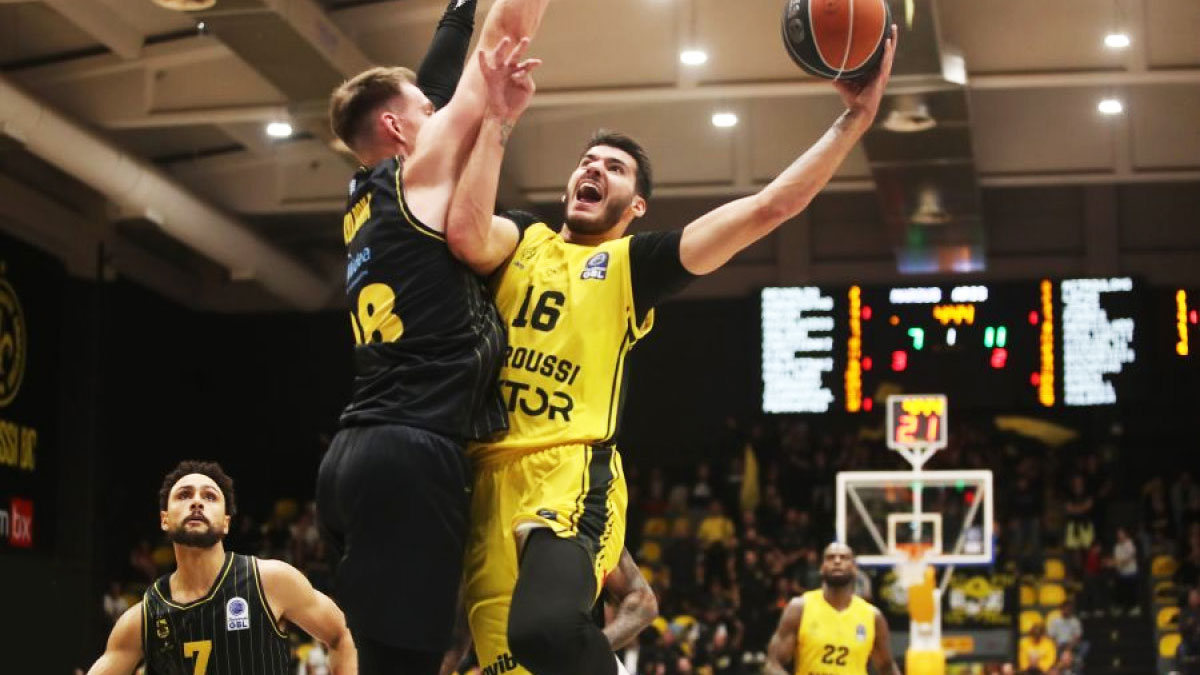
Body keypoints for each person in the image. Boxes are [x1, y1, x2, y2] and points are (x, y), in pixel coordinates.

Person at [445, 23, 897, 675]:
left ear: (636, 206)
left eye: (615, 168)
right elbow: (464, 234)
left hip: (568, 470)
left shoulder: (633, 264)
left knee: (543, 629)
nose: (595, 169)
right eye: (588, 162)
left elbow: (769, 207)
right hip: (485, 479)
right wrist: (496, 120)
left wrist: (854, 120)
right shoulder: (523, 238)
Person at [316, 1, 551, 672]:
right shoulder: (414, 175)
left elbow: (440, 80)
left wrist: (457, 11)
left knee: (381, 657)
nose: (441, 111)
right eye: (428, 110)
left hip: (357, 452)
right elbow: (501, 43)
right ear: (396, 127)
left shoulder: (366, 199)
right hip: (411, 454)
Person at [87, 461, 355, 675]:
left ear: (226, 522)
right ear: (164, 519)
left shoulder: (270, 581)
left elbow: (342, 634)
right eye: (184, 495)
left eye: (210, 496)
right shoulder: (142, 619)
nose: (196, 502)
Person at [762, 543, 901, 675]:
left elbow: (887, 668)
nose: (837, 561)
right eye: (830, 557)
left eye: (844, 558)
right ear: (822, 568)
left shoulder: (872, 616)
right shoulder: (800, 608)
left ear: (854, 569)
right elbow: (772, 664)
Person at [1046, 600, 1087, 667]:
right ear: (1061, 609)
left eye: (1069, 609)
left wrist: (1069, 647)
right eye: (1065, 609)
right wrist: (1056, 644)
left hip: (1071, 645)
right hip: (1058, 645)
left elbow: (1078, 636)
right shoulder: (1055, 621)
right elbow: (1051, 636)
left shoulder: (1075, 621)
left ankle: (1076, 660)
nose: (1067, 611)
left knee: (1086, 645)